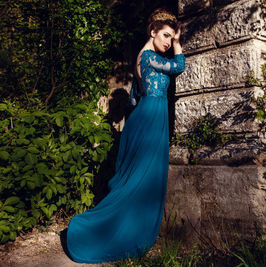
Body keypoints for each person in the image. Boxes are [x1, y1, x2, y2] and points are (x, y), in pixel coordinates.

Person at [64, 8, 186, 263]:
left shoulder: (146, 55)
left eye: (170, 37)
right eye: (164, 35)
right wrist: (177, 43)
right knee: (140, 178)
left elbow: (137, 95)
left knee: (145, 178)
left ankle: (127, 224)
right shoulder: (149, 56)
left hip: (150, 116)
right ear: (152, 31)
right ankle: (89, 229)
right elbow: (179, 66)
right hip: (150, 117)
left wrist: (172, 39)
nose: (167, 41)